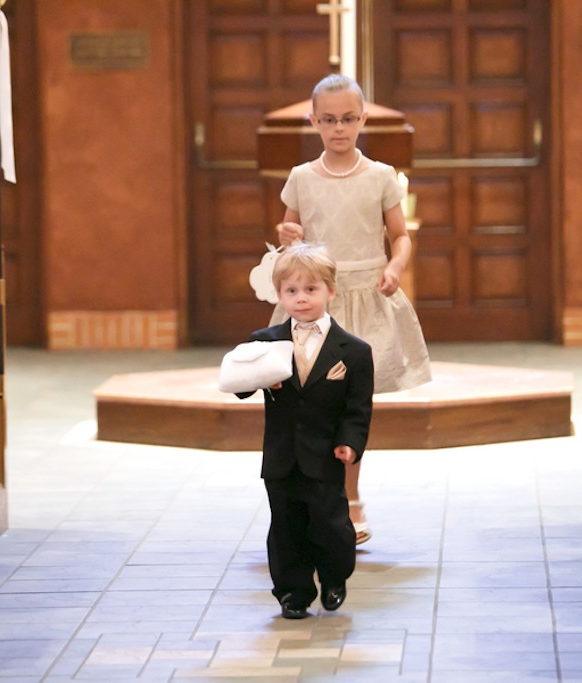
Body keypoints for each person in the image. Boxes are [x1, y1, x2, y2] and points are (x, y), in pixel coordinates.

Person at [274, 74, 431, 544]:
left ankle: (351, 498)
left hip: (367, 293)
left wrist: (396, 266)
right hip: (316, 302)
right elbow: (290, 232)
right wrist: (287, 236)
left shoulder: (381, 176)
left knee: (351, 408)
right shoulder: (301, 178)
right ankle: (314, 499)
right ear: (314, 122)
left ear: (362, 119)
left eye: (347, 119)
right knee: (308, 407)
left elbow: (400, 235)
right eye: (328, 120)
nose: (338, 129)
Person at [236, 243, 374, 619]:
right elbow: (240, 385)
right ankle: (293, 592)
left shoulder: (354, 351)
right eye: (291, 292)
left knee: (330, 524)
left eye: (311, 290)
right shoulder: (265, 341)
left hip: (325, 453)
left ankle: (334, 577)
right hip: (281, 455)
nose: (301, 299)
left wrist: (350, 443)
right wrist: (259, 375)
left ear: (331, 291)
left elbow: (358, 408)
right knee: (286, 526)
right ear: (279, 295)